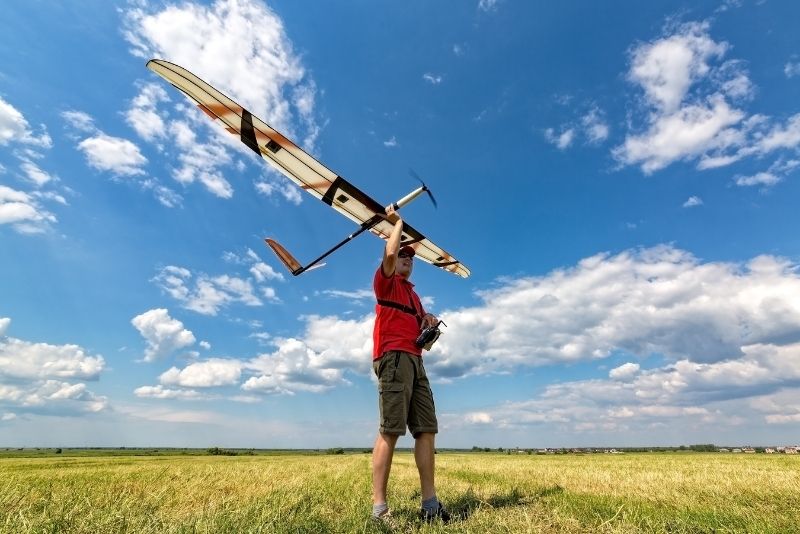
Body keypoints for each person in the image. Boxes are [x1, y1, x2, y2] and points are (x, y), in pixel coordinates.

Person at [370, 206, 450, 523]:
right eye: (403, 253)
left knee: (426, 430)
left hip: (416, 361)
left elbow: (422, 335)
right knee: (391, 431)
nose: (407, 257)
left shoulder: (414, 296)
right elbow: (389, 254)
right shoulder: (385, 280)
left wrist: (427, 321)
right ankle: (379, 510)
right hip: (393, 357)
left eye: (411, 255)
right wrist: (396, 222)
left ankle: (430, 505)